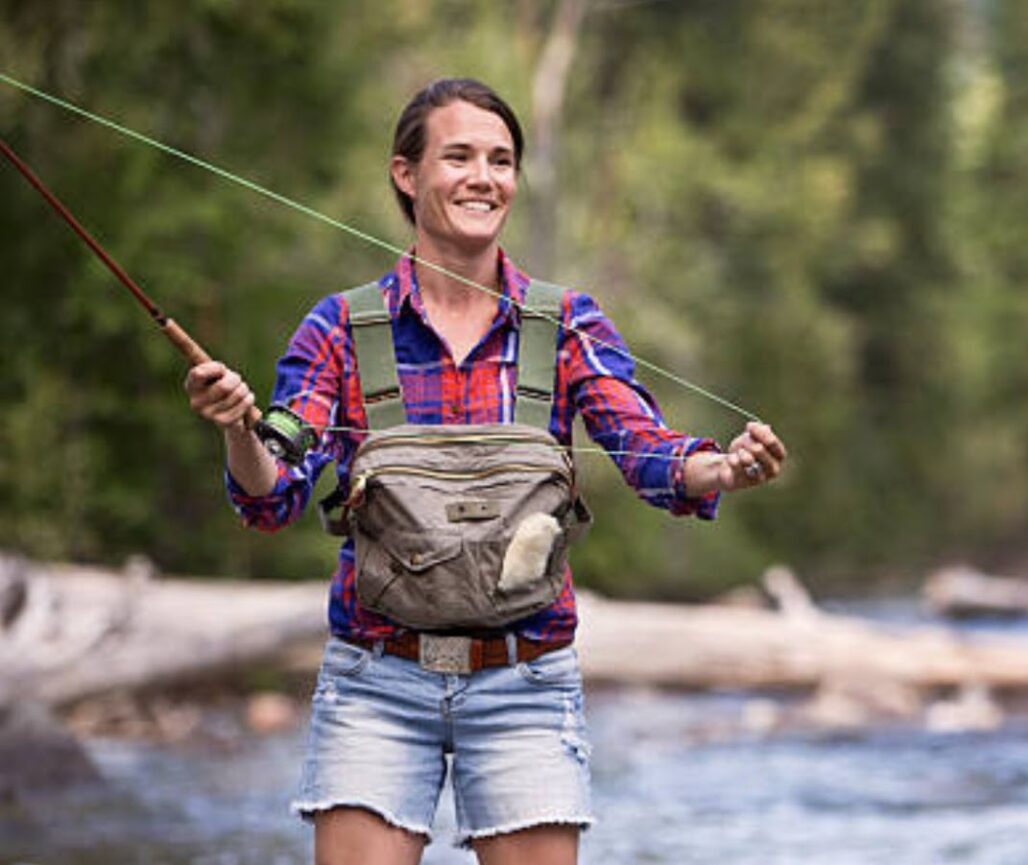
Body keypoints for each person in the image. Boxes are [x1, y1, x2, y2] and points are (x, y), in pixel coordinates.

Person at [184, 77, 786, 865]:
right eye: (460, 156)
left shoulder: (568, 323)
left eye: (502, 160)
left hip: (525, 681)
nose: (485, 177)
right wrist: (238, 430)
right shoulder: (338, 327)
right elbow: (274, 493)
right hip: (376, 679)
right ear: (407, 174)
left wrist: (722, 470)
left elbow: (646, 452)